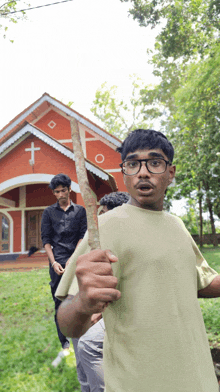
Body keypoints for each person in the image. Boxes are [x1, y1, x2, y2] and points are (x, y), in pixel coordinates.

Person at [56, 130, 220, 392]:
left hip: (198, 377)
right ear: (125, 174)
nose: (143, 172)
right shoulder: (107, 227)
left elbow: (201, 282)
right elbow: (68, 322)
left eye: (155, 162)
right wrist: (83, 303)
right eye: (133, 164)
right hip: (141, 382)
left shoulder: (176, 226)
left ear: (171, 172)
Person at [41, 173, 89, 391]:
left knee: (79, 298)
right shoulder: (48, 212)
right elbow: (46, 240)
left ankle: (82, 334)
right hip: (57, 265)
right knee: (58, 302)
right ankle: (65, 342)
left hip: (76, 261)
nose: (60, 194)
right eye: (56, 191)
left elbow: (82, 236)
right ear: (54, 193)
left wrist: (73, 258)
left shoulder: (80, 211)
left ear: (70, 189)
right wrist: (54, 263)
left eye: (63, 190)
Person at [77, 192, 129, 392]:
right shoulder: (101, 240)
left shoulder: (127, 240)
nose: (101, 220)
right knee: (79, 338)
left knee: (88, 344)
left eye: (106, 215)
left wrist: (101, 312)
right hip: (101, 304)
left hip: (125, 309)